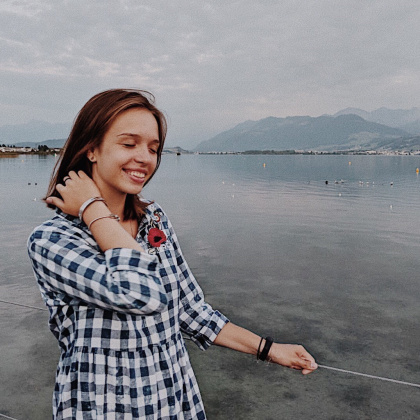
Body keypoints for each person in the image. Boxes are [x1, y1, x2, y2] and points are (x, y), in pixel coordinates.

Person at [27, 89, 317, 419]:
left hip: (173, 398)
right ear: (91, 149)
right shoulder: (53, 241)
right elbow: (140, 293)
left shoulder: (154, 219)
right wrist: (93, 208)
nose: (145, 158)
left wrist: (269, 349)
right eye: (129, 144)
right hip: (106, 406)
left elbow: (189, 309)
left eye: (153, 149)